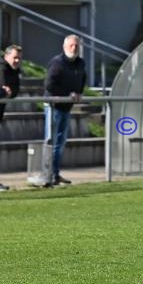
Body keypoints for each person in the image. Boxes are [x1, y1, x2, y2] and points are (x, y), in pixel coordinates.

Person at [44, 34, 87, 185]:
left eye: (76, 46)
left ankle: (55, 173)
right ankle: (47, 173)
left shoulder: (80, 63)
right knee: (52, 141)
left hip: (66, 107)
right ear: (64, 46)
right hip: (54, 106)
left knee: (60, 143)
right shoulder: (57, 63)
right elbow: (50, 85)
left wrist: (79, 93)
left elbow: (82, 79)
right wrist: (67, 94)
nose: (74, 48)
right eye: (71, 45)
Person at [0, 45, 22, 191]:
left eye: (19, 58)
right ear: (6, 56)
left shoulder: (13, 71)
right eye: (14, 57)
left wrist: (7, 92)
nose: (17, 61)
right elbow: (1, 89)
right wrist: (5, 92)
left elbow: (14, 91)